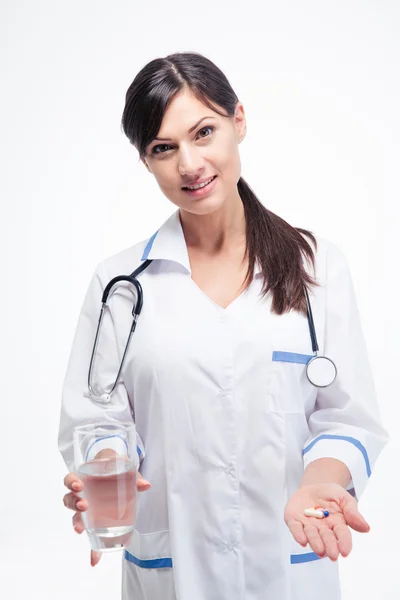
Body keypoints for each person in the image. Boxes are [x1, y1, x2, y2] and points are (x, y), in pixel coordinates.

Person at [59, 51, 388, 600]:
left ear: (239, 120)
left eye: (203, 131)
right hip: (172, 572)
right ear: (146, 162)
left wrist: (322, 484)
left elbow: (347, 419)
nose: (189, 164)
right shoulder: (121, 284)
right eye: (164, 148)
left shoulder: (317, 266)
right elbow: (97, 420)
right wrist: (104, 471)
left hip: (290, 567)